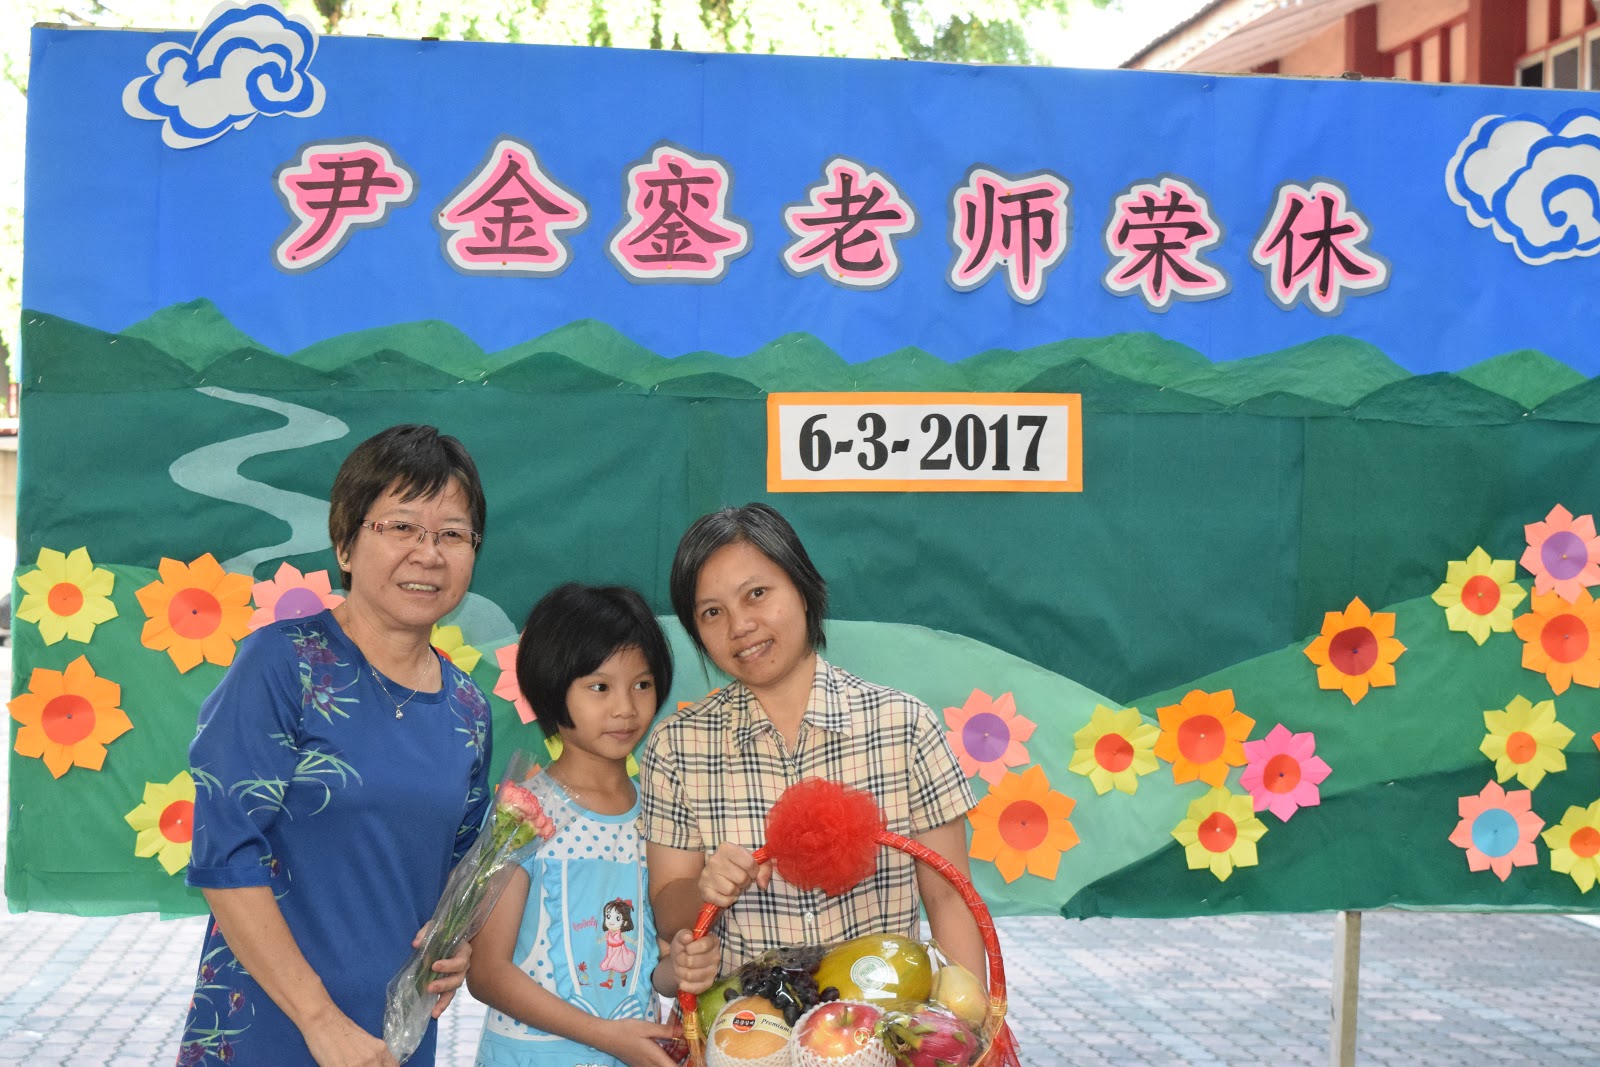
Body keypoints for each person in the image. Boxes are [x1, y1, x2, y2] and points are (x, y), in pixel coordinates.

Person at [177, 424, 492, 1067]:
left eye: (452, 534)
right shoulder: (282, 664)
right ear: (346, 544)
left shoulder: (468, 710)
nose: (428, 553)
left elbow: (457, 873)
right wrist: (320, 1022)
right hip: (272, 1026)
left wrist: (457, 941)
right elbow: (225, 856)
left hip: (393, 1039)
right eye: (401, 527)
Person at [640, 503, 986, 984]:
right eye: (712, 612)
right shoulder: (676, 747)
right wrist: (706, 887)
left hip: (882, 1022)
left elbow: (950, 897)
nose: (740, 626)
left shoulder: (906, 726)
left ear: (803, 589)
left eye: (757, 594)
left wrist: (968, 1020)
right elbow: (667, 910)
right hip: (745, 1025)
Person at [468, 583, 719, 1067]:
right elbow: (486, 973)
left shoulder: (661, 814)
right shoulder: (523, 813)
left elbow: (657, 974)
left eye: (642, 684)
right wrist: (606, 1037)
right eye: (600, 687)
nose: (626, 708)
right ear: (551, 688)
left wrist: (684, 965)